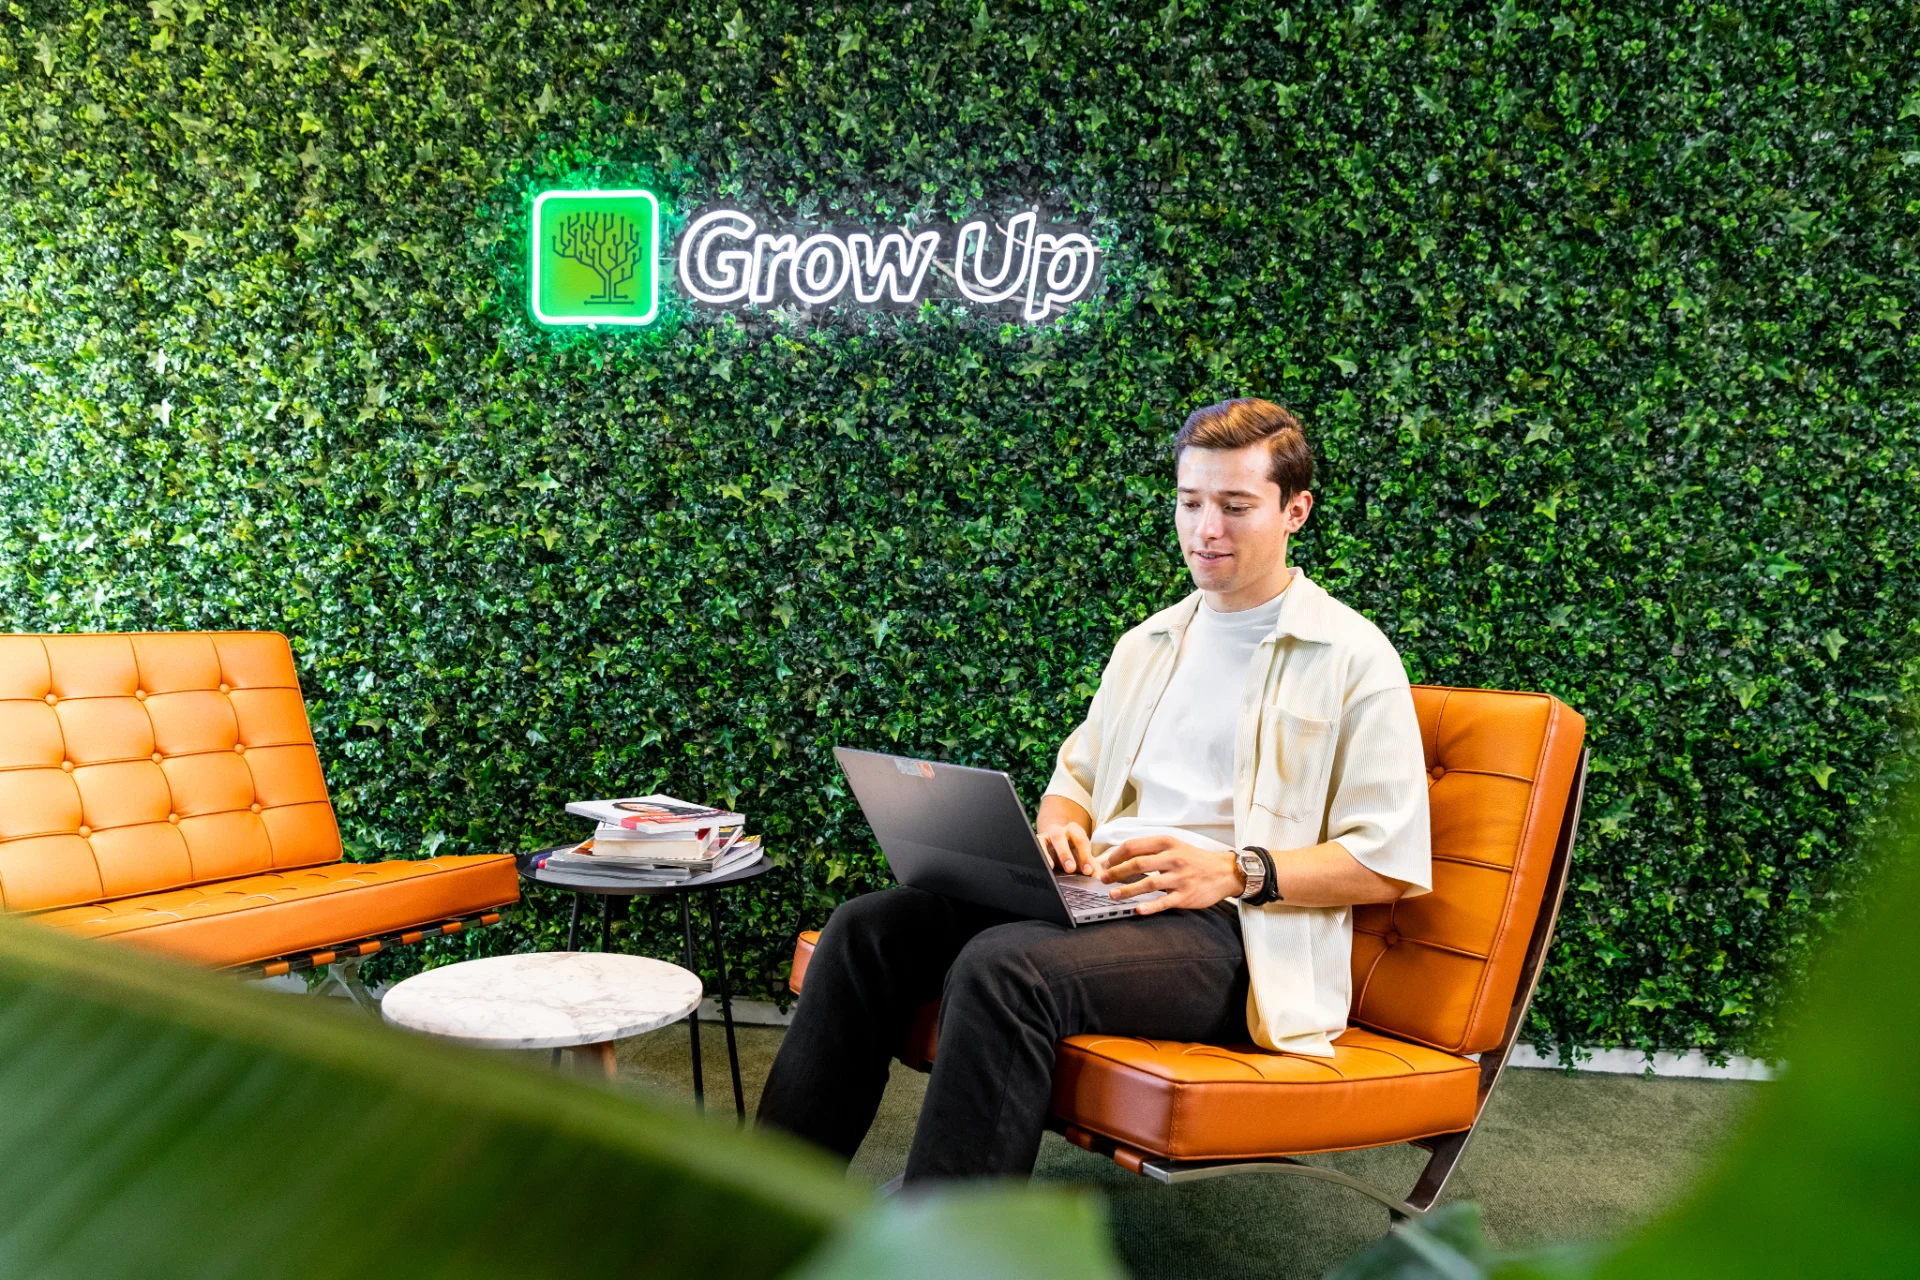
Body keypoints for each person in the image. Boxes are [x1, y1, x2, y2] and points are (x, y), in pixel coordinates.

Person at [757, 398, 1432, 1180]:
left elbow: (1390, 861)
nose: (1205, 529)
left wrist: (1236, 870)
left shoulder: (1351, 656)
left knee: (1004, 965)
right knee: (869, 927)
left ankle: (943, 1247)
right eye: (1190, 503)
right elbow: (1072, 782)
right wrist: (1060, 827)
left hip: (1236, 935)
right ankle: (769, 1213)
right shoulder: (1148, 643)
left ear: (1295, 511)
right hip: (1105, 895)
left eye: (1236, 506)